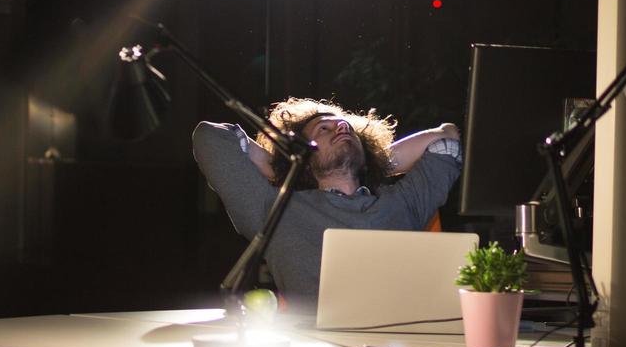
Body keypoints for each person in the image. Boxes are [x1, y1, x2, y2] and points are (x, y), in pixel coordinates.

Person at [193, 96, 463, 303]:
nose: (340, 129)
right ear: (303, 155)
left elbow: (447, 138)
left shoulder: (404, 202)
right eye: (324, 129)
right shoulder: (275, 210)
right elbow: (211, 136)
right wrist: (284, 165)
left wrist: (376, 161)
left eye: (347, 129)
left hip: (400, 344)